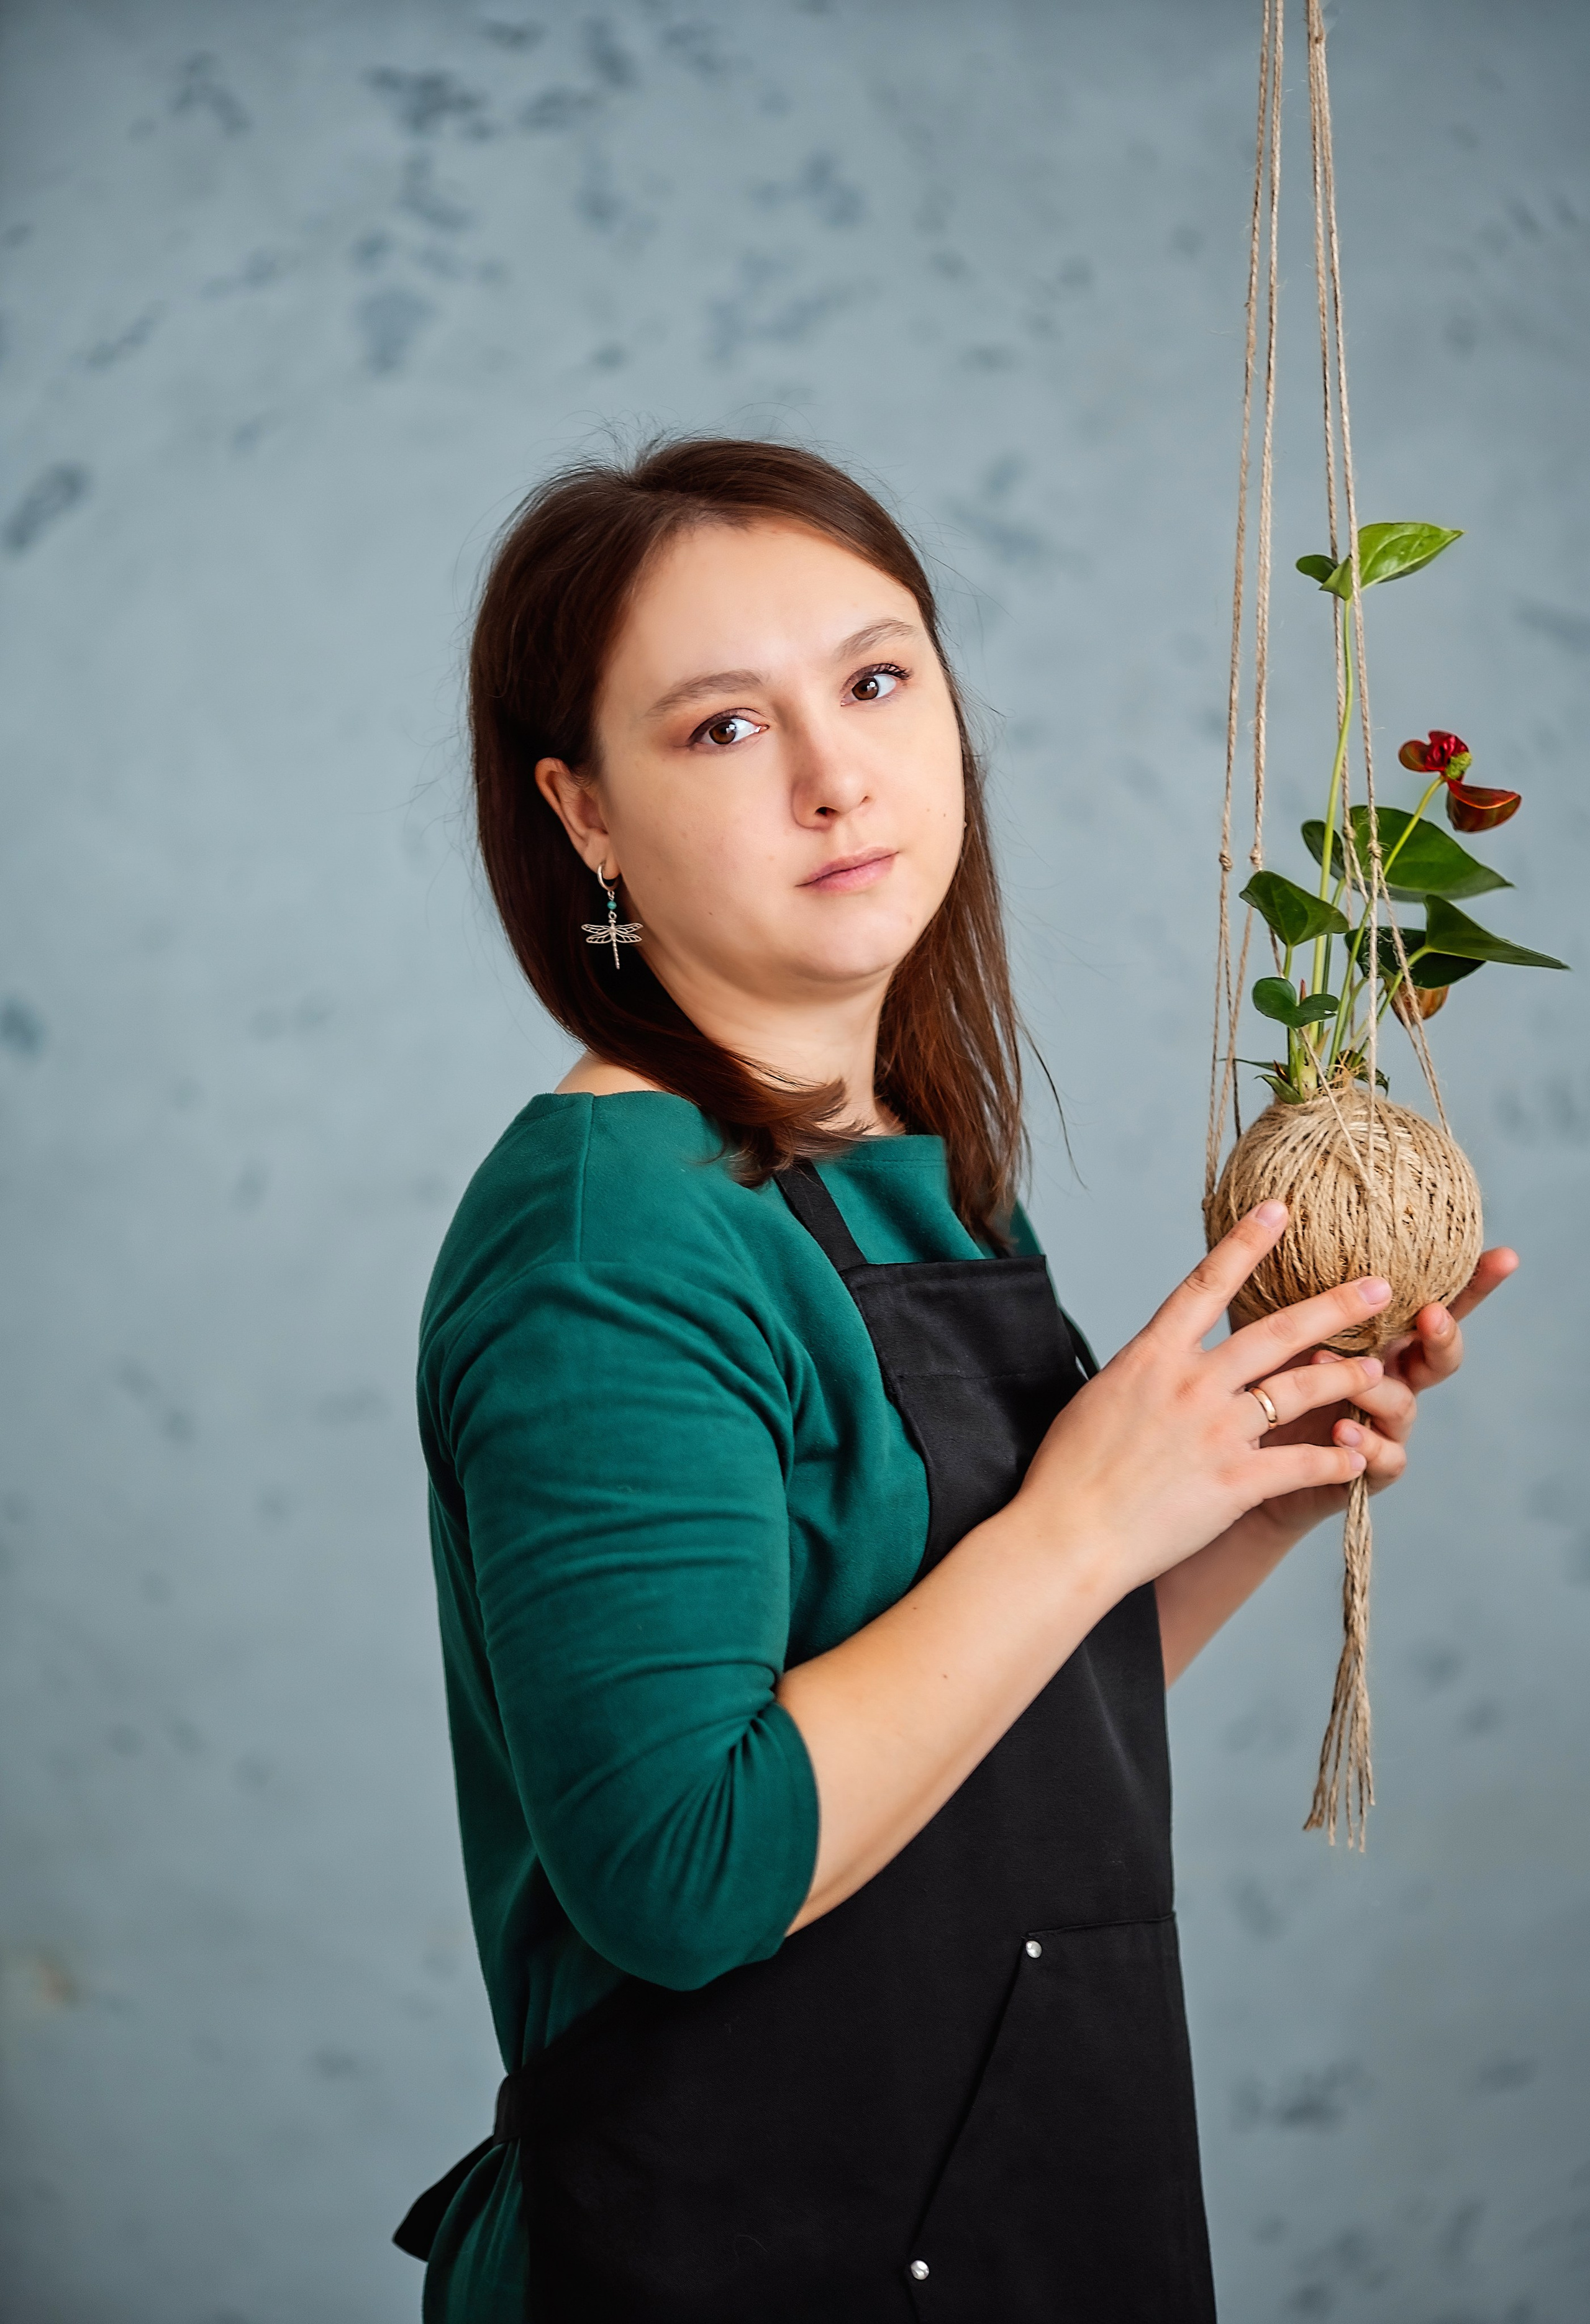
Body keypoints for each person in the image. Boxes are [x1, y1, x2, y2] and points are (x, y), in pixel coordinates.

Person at [394, 438, 1515, 2323]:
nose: (837, 772)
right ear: (585, 817)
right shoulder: (614, 1237)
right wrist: (1081, 1519)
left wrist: (1243, 1491)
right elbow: (688, 1868)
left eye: (876, 679)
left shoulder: (910, 1166)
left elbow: (986, 1718)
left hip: (1023, 2219)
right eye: (723, 728)